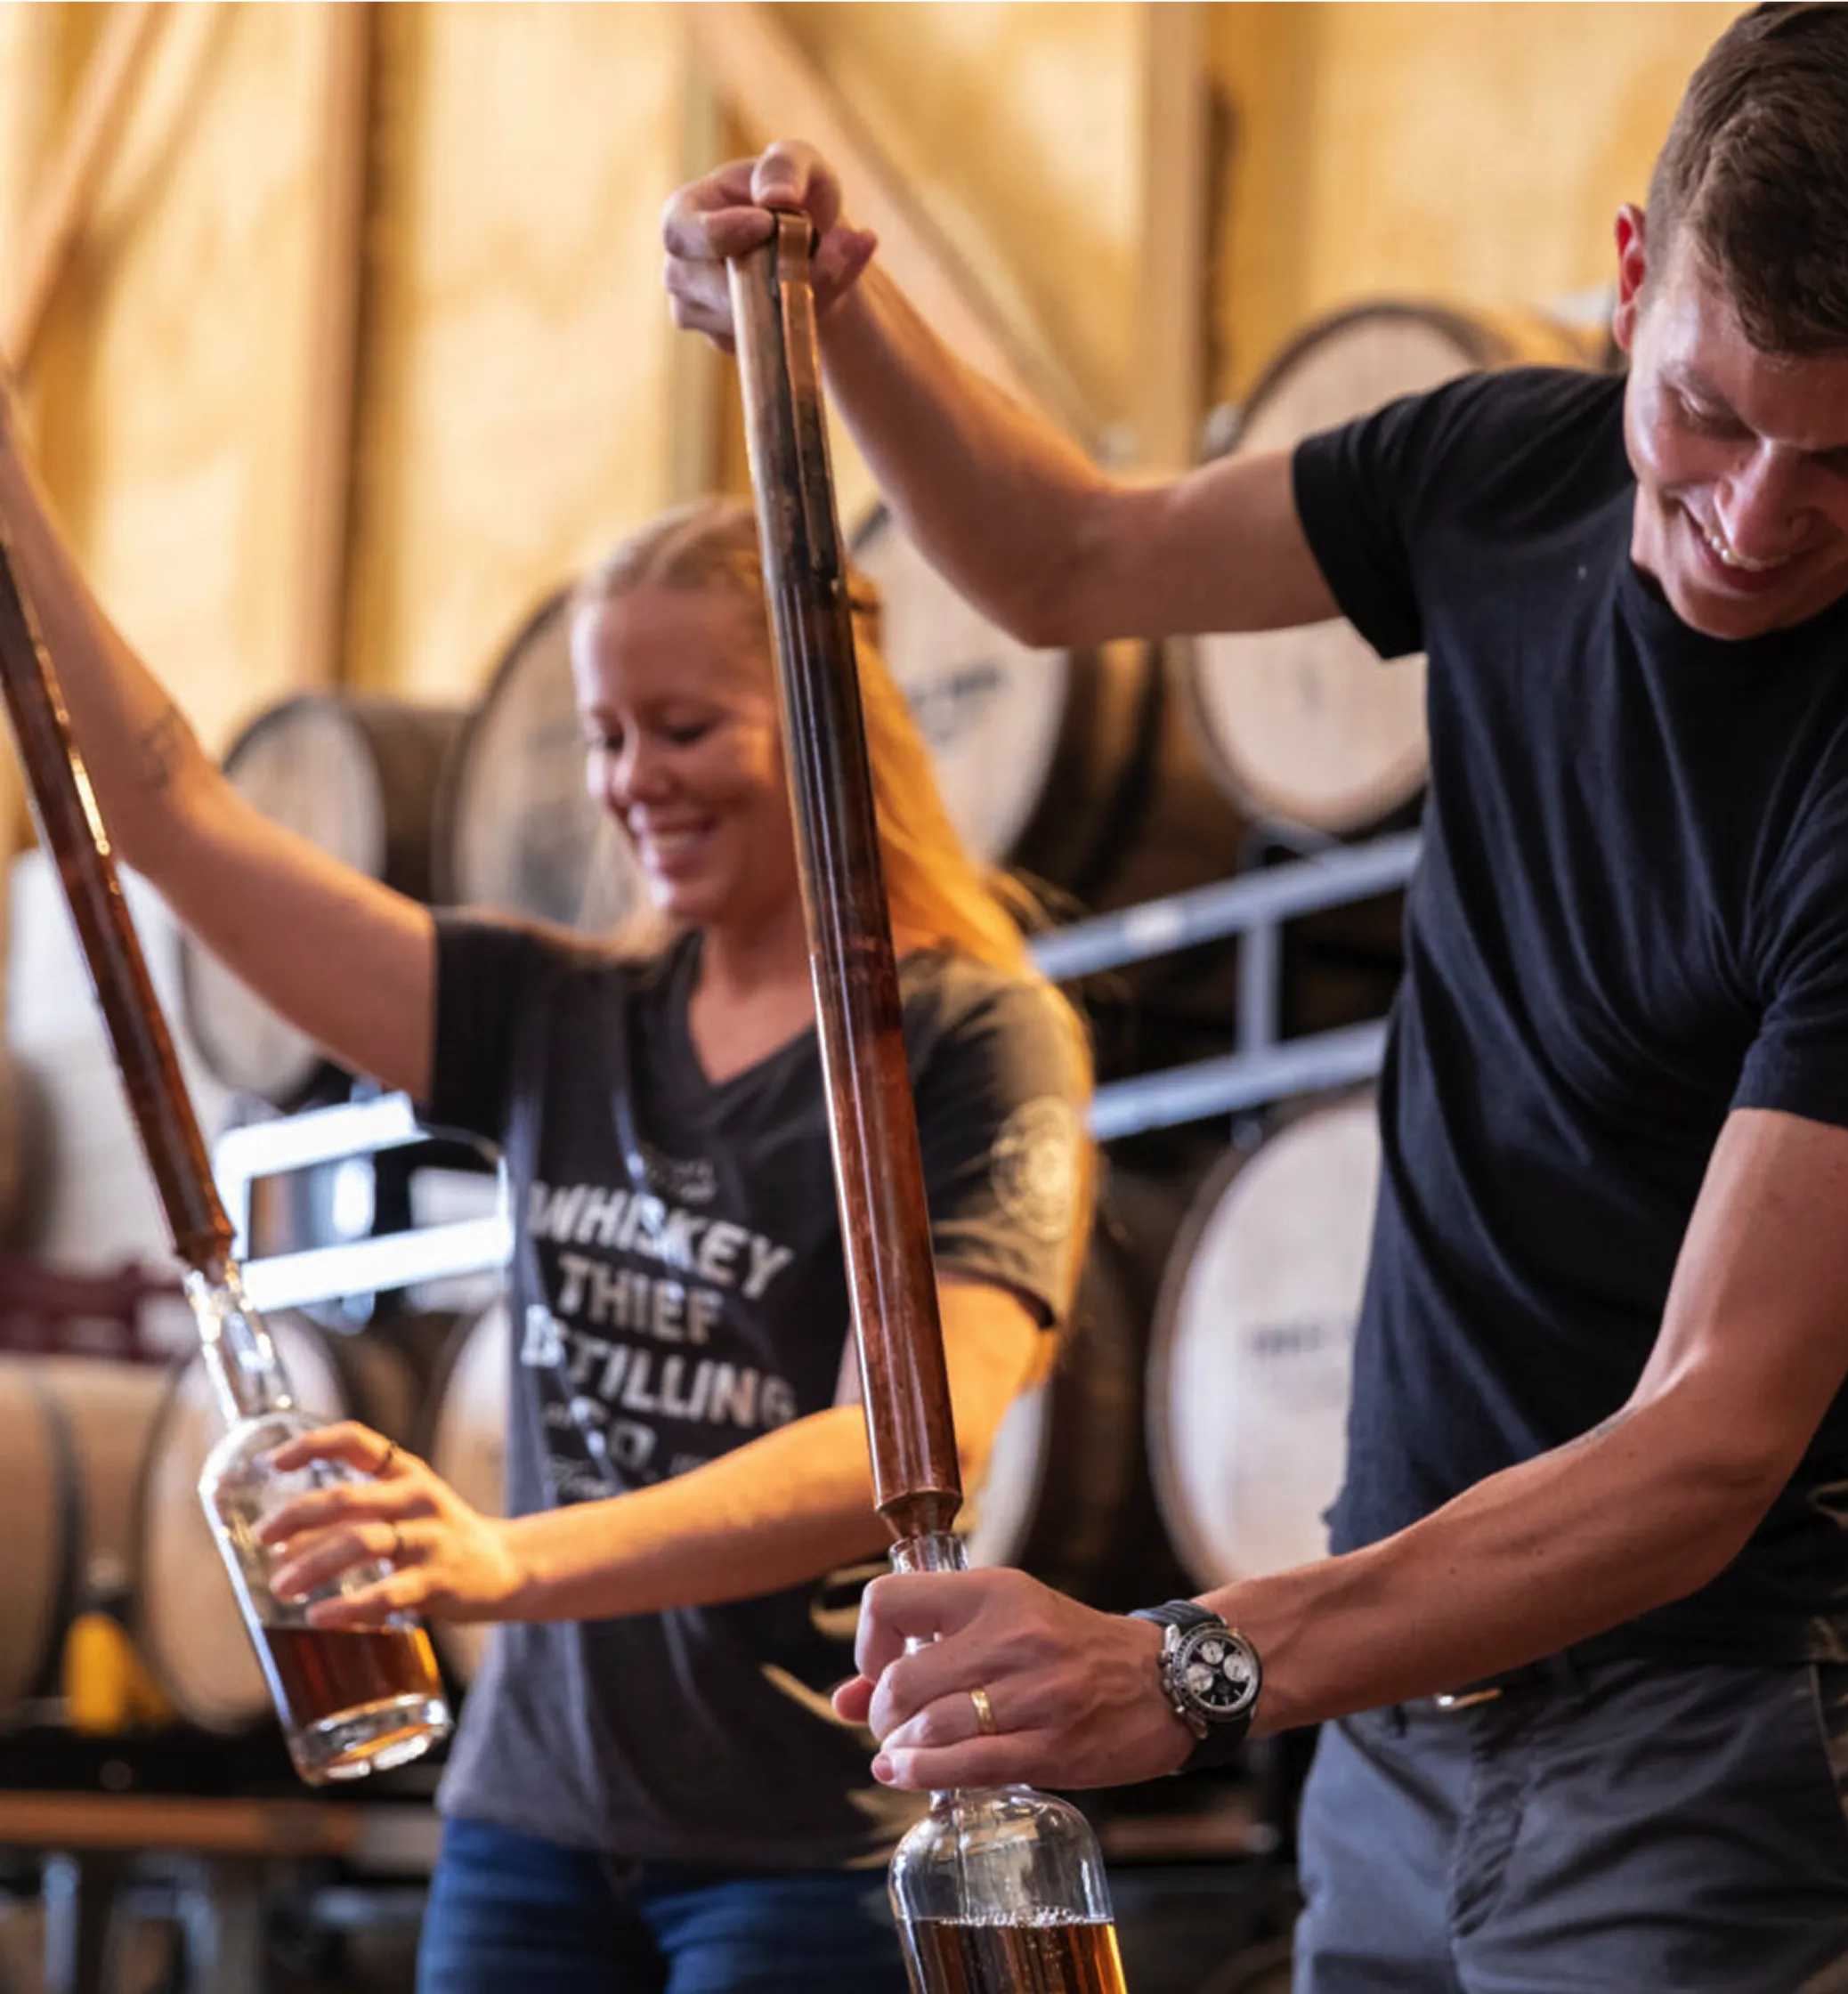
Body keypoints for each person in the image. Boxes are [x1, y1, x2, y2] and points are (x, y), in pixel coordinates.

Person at [660, 2, 1848, 1987]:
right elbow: (1064, 560)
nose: (1755, 517)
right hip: (1393, 1716)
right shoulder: (1498, 468)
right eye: (1706, 411)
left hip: (1692, 1746)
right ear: (1626, 280)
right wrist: (834, 311)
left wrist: (1187, 1661)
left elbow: (1706, 1440)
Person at [0, 448, 1094, 1993]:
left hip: (806, 1849)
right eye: (602, 735)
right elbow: (178, 821)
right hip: (529, 1835)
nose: (631, 777)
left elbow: (909, 1448)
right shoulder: (561, 1016)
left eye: (685, 726)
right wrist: (22, 503)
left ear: (823, 719)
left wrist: (507, 1563)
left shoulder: (972, 1038)